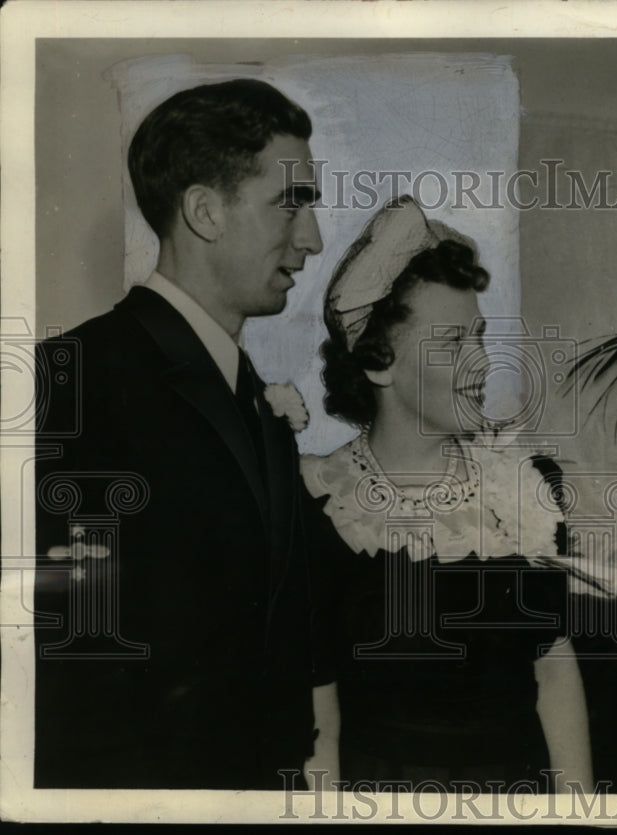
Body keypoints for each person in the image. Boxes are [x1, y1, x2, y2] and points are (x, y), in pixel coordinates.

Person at [33, 79, 339, 789]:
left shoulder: (249, 394)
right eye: (290, 202)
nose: (313, 238)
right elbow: (70, 654)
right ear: (204, 211)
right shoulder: (75, 377)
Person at [302, 196, 594, 792]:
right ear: (379, 363)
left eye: (480, 337)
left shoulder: (524, 487)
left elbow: (552, 664)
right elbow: (318, 715)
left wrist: (581, 811)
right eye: (454, 343)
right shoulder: (317, 503)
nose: (482, 363)